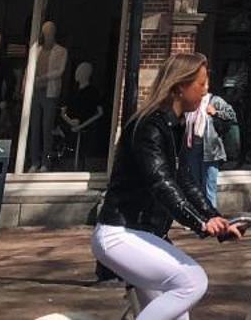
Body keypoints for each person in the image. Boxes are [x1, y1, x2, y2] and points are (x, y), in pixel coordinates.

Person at [92, 51, 233, 320]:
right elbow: (161, 183)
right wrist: (200, 224)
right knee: (193, 281)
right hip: (120, 233)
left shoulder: (173, 126)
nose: (206, 91)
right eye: (201, 84)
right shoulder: (150, 126)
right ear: (181, 86)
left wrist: (213, 217)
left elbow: (183, 180)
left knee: (178, 315)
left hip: (142, 234)